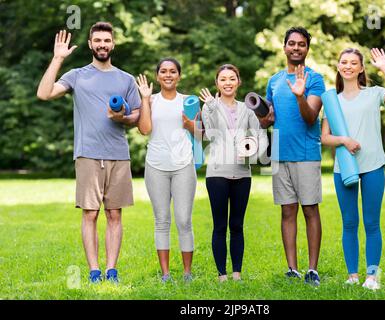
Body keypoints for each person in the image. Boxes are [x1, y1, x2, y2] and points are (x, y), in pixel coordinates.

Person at [36, 22, 141, 283]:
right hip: (88, 155)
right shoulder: (77, 75)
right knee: (90, 214)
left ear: (113, 44)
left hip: (118, 154)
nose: (102, 45)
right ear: (90, 44)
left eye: (107, 40)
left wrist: (122, 118)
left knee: (114, 214)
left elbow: (138, 116)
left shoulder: (126, 79)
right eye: (98, 40)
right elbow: (44, 93)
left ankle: (111, 270)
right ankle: (94, 271)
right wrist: (57, 59)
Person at [321, 48, 385, 290]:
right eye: (343, 62)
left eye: (353, 63)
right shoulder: (331, 101)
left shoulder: (374, 94)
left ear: (360, 68)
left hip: (372, 166)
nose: (348, 66)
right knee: (349, 222)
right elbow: (324, 137)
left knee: (371, 223)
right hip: (344, 168)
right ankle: (352, 276)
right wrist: (344, 141)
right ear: (338, 66)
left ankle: (371, 277)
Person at [258, 27, 325, 286]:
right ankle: (293, 269)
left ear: (307, 49)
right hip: (280, 154)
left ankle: (312, 270)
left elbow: (310, 118)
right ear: (284, 47)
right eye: (292, 43)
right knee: (287, 211)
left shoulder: (315, 80)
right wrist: (263, 118)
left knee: (309, 209)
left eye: (301, 44)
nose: (296, 48)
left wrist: (300, 96)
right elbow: (266, 120)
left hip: (306, 154)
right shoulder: (274, 81)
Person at [200, 64, 269, 282]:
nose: (227, 82)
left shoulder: (247, 109)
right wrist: (210, 107)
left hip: (242, 173)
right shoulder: (209, 106)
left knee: (237, 225)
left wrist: (251, 152)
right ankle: (222, 274)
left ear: (238, 82)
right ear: (217, 83)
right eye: (223, 79)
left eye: (232, 78)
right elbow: (210, 135)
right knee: (220, 225)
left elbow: (259, 135)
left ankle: (237, 273)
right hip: (217, 173)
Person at [136, 58, 199, 283]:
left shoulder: (188, 101)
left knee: (183, 220)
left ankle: (187, 273)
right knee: (161, 220)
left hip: (184, 166)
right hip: (156, 166)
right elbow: (144, 129)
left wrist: (190, 124)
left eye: (173, 71)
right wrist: (144, 99)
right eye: (163, 71)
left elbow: (202, 136)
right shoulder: (150, 100)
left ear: (179, 76)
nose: (168, 75)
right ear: (158, 76)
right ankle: (165, 274)